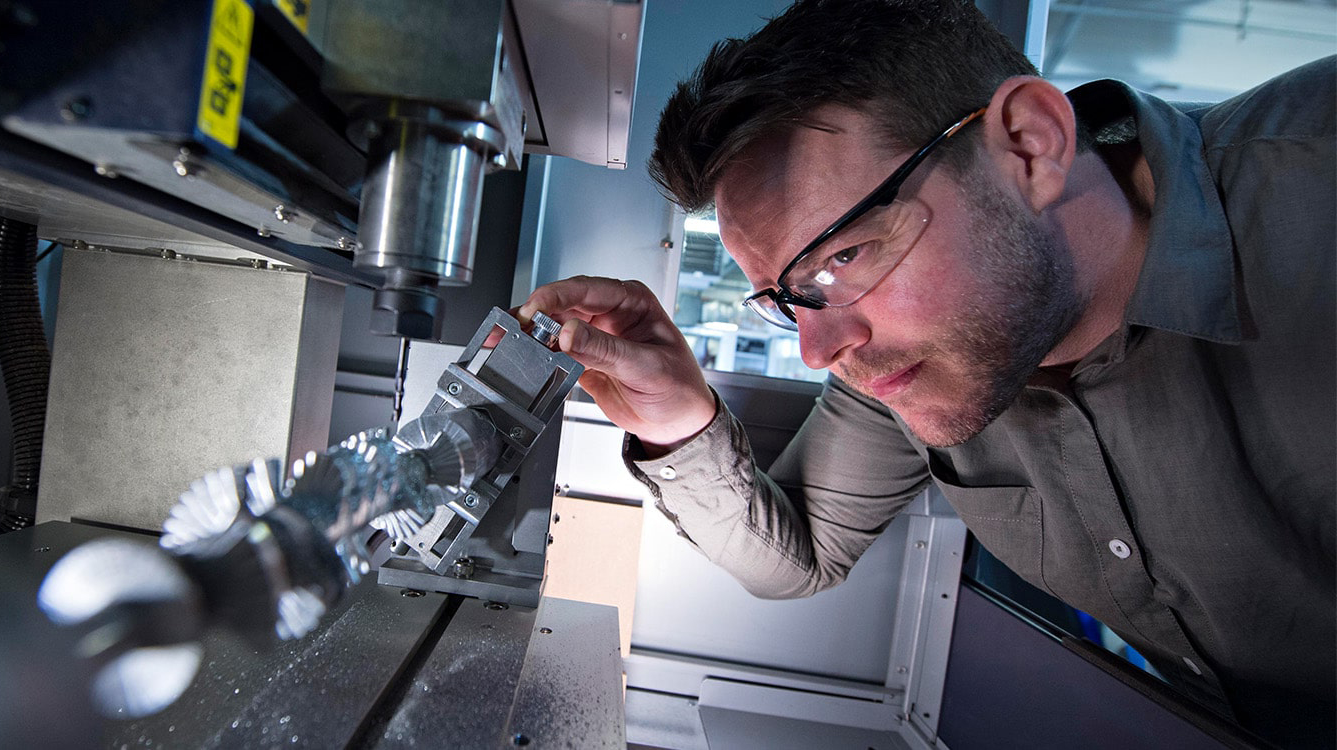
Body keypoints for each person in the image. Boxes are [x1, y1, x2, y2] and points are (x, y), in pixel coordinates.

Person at [517, 1, 1335, 745]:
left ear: (1030, 143)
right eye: (789, 300)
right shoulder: (918, 362)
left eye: (844, 256)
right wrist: (676, 418)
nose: (817, 348)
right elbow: (799, 557)